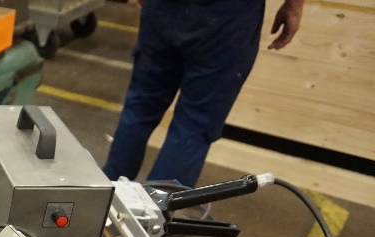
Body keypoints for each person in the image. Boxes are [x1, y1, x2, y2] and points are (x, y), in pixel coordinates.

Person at [102, 0, 305, 187]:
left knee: (140, 107)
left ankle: (103, 197)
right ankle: (156, 209)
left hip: (165, 8)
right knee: (194, 124)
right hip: (226, 16)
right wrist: (294, 6)